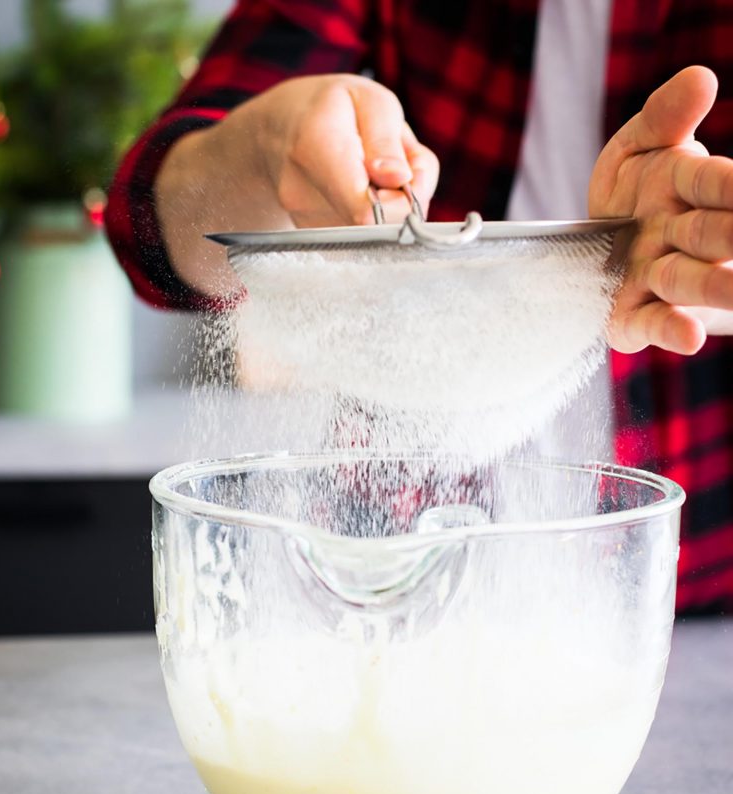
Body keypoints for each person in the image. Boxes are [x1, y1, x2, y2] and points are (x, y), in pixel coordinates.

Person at [106, 0, 733, 614]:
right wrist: (264, 150)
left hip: (699, 581)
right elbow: (149, 228)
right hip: (387, 570)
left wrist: (711, 256)